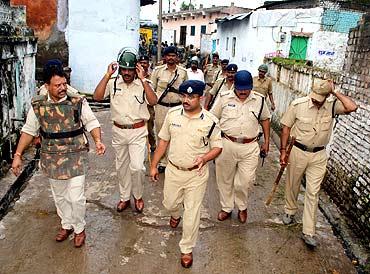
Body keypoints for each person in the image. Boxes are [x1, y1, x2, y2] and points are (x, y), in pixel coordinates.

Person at [11, 64, 106, 248]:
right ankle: (66, 224)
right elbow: (29, 131)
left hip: (76, 154)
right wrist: (18, 154)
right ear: (47, 86)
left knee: (76, 197)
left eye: (64, 84)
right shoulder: (39, 105)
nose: (62, 88)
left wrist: (97, 140)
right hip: (52, 157)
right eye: (57, 85)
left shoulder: (77, 100)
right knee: (60, 196)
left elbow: (91, 121)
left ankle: (79, 228)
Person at [150, 80, 222, 268]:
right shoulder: (172, 115)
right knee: (169, 203)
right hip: (174, 171)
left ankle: (187, 249)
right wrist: (153, 165)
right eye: (183, 96)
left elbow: (218, 147)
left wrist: (205, 158)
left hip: (196, 175)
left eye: (191, 97)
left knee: (192, 212)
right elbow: (163, 142)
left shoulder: (211, 121)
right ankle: (175, 214)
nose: (186, 100)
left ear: (201, 98)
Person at [280, 79, 357, 248]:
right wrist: (284, 151)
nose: (316, 100)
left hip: (319, 155)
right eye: (314, 97)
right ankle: (290, 210)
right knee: (292, 184)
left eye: (320, 98)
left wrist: (335, 92)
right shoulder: (298, 104)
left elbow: (352, 107)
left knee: (313, 193)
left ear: (327, 96)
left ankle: (309, 231)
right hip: (298, 151)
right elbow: (285, 127)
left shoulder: (332, 105)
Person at [93, 47, 157, 213]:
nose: (127, 73)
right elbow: (97, 97)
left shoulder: (144, 84)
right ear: (120, 68)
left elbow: (153, 101)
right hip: (119, 131)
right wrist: (107, 75)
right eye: (124, 69)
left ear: (136, 68)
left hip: (138, 131)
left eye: (130, 69)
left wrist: (143, 80)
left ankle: (138, 196)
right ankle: (124, 198)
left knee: (137, 167)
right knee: (122, 167)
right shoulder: (113, 82)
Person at [211, 70, 271, 223]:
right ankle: (226, 208)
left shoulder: (260, 100)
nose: (243, 91)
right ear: (234, 86)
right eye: (240, 88)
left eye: (247, 88)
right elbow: (212, 119)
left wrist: (267, 142)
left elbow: (265, 120)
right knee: (224, 179)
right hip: (226, 144)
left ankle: (242, 207)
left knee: (245, 181)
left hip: (250, 146)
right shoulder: (224, 98)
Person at [150, 46, 188, 173]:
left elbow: (187, 91)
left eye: (173, 55)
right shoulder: (157, 71)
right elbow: (151, 88)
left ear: (177, 57)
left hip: (177, 107)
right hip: (162, 107)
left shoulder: (183, 72)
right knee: (161, 134)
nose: (171, 58)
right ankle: (162, 161)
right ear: (164, 57)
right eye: (168, 55)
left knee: (177, 134)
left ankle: (173, 160)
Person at [138, 55, 156, 152]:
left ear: (148, 64)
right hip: (137, 106)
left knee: (149, 129)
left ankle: (152, 144)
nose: (143, 65)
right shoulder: (135, 75)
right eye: (141, 63)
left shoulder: (152, 76)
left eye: (145, 63)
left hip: (149, 107)